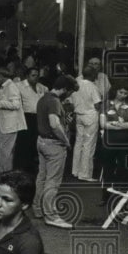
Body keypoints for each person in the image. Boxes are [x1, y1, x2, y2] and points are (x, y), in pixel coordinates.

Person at [34, 75, 77, 229]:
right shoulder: (54, 101)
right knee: (53, 181)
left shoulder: (43, 98)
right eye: (70, 92)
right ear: (65, 89)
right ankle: (51, 215)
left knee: (42, 177)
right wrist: (66, 140)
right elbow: (54, 124)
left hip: (41, 141)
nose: (70, 95)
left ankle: (38, 209)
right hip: (54, 144)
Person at [99, 82, 128, 193]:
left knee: (123, 168)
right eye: (121, 92)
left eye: (125, 93)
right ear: (116, 91)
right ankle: (106, 195)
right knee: (107, 168)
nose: (123, 95)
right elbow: (102, 124)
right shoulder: (105, 105)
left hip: (125, 142)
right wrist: (122, 125)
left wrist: (114, 124)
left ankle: (121, 195)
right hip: (109, 140)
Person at [0, 67, 26, 173]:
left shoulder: (11, 87)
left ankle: (4, 175)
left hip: (10, 124)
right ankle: (6, 174)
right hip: (4, 123)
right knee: (6, 151)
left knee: (5, 151)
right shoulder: (2, 87)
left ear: (1, 76)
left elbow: (16, 105)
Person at [69, 64, 102, 182]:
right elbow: (97, 104)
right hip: (90, 116)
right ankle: (84, 174)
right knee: (88, 145)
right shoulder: (93, 87)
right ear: (93, 75)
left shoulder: (76, 84)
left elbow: (71, 102)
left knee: (78, 143)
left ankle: (75, 171)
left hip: (79, 115)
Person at [17, 67, 47, 175]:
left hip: (38, 117)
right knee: (24, 143)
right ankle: (21, 169)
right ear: (27, 76)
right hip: (25, 116)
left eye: (37, 75)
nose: (36, 77)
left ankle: (31, 168)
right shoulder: (19, 86)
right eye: (33, 75)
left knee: (35, 142)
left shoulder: (41, 87)